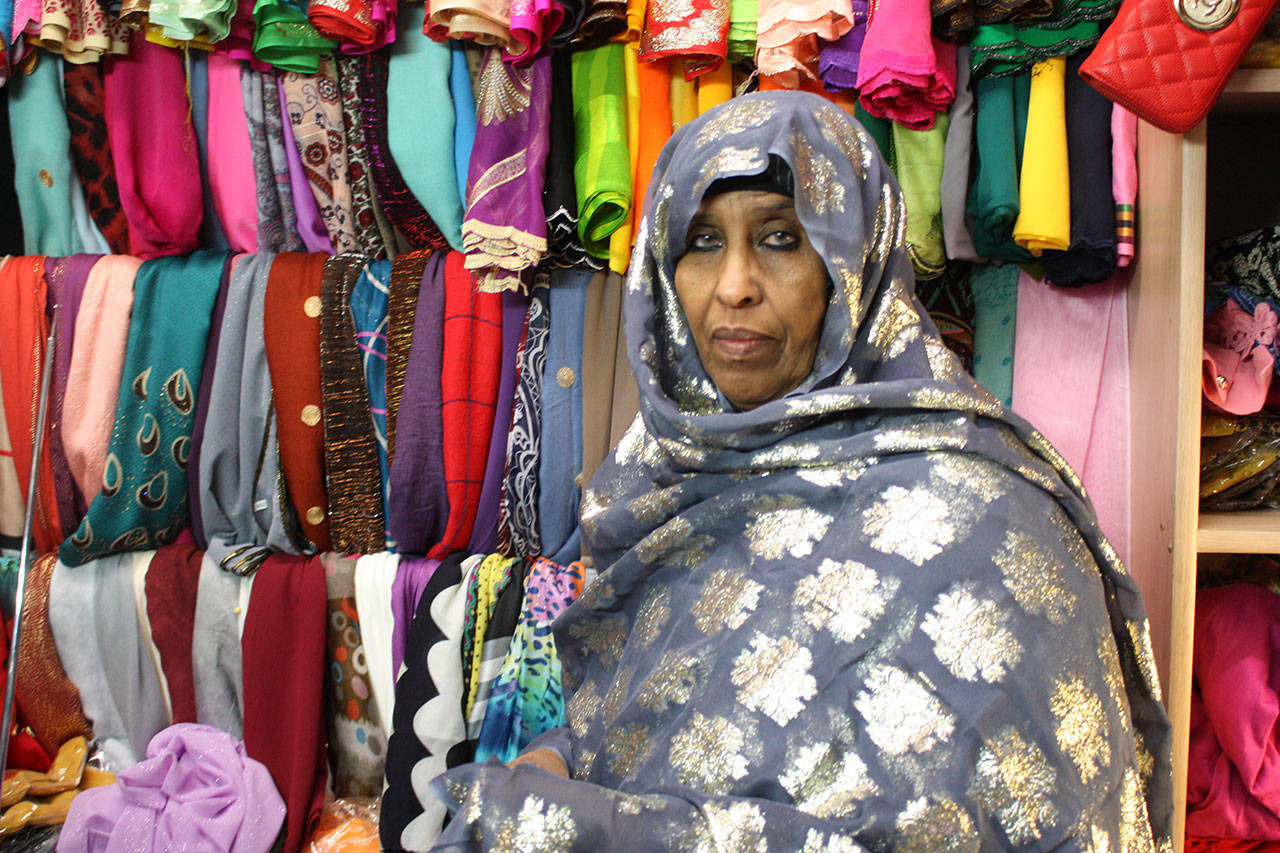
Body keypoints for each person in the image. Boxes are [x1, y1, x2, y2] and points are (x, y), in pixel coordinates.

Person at [429, 91, 1172, 850]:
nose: (734, 285)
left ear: (853, 263)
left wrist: (552, 825)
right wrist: (559, 758)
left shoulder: (985, 521)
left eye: (782, 238)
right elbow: (635, 720)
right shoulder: (660, 478)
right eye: (702, 242)